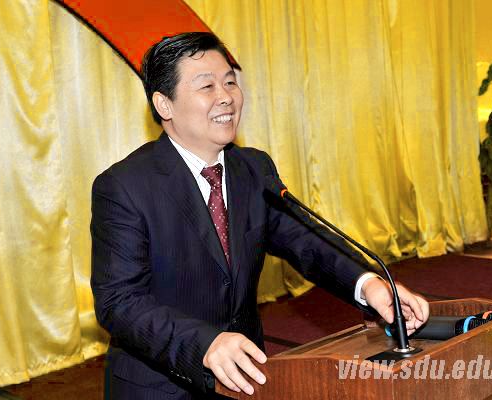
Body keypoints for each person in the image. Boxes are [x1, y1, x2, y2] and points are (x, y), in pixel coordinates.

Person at [90, 32, 429, 400]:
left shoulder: (253, 169)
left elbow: (306, 241)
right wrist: (205, 343)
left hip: (247, 377)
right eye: (207, 86)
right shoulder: (124, 187)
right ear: (164, 104)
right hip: (160, 386)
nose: (226, 97)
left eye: (230, 82)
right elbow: (120, 303)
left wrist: (369, 284)